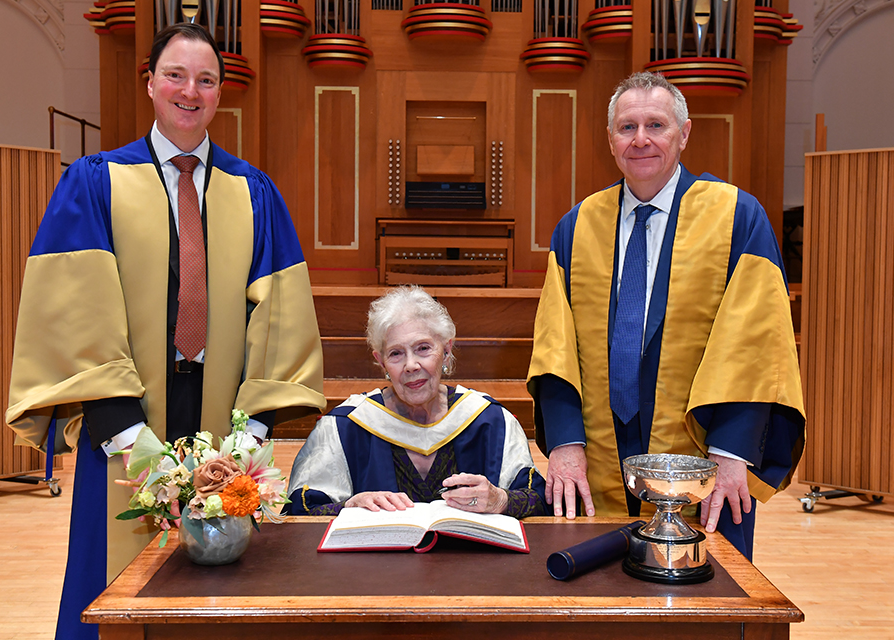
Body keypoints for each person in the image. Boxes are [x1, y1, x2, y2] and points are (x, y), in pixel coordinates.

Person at [5, 23, 325, 640]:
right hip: (124, 422)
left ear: (221, 92)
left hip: (223, 427)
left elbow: (281, 318)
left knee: (222, 587)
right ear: (150, 82)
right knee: (115, 587)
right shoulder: (95, 182)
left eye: (206, 79)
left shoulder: (254, 193)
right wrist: (128, 435)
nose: (189, 91)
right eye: (175, 75)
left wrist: (250, 437)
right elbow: (75, 309)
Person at [527, 72, 805, 560]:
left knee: (704, 588)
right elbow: (555, 347)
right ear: (610, 139)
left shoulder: (737, 217)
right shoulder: (577, 225)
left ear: (684, 133)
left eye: (656, 125)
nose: (640, 140)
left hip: (703, 459)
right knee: (597, 588)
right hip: (598, 455)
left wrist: (733, 452)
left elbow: (755, 345)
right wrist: (565, 444)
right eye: (626, 127)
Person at [289, 285, 547, 518]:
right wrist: (348, 506)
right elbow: (299, 513)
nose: (411, 365)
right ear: (381, 362)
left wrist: (500, 500)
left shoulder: (491, 422)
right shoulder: (345, 427)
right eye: (396, 353)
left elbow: (537, 500)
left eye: (423, 348)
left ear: (446, 351)